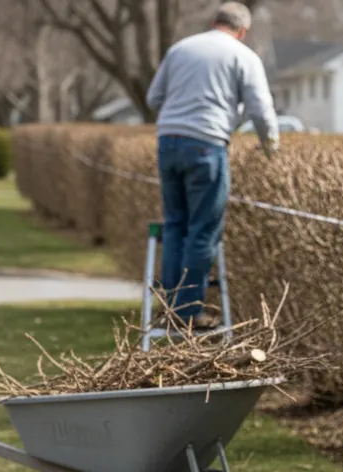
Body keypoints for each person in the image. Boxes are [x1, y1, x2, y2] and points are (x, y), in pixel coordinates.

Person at [146, 2, 278, 328]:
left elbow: (153, 98)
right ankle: (188, 313)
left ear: (213, 22)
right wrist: (271, 146)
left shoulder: (180, 49)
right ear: (242, 31)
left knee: (176, 225)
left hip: (168, 143)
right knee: (203, 231)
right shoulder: (243, 56)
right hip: (206, 145)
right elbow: (261, 110)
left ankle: (169, 308)